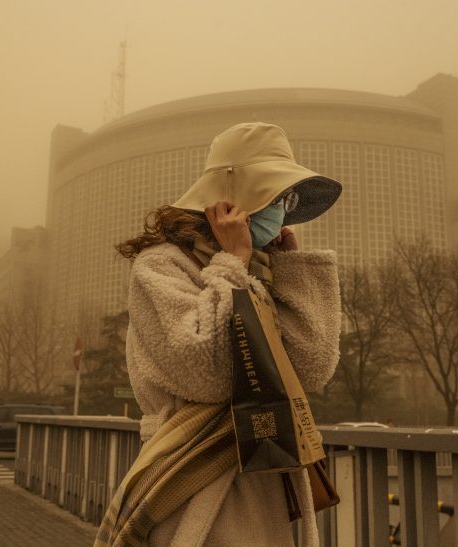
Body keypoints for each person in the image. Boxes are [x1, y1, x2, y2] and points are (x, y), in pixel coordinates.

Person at [99, 123, 342, 546]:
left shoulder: (263, 271)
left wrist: (293, 271)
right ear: (231, 197)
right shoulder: (161, 266)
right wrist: (232, 262)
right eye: (274, 194)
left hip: (260, 468)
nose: (282, 210)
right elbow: (204, 374)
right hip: (190, 476)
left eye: (288, 198)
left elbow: (312, 369)